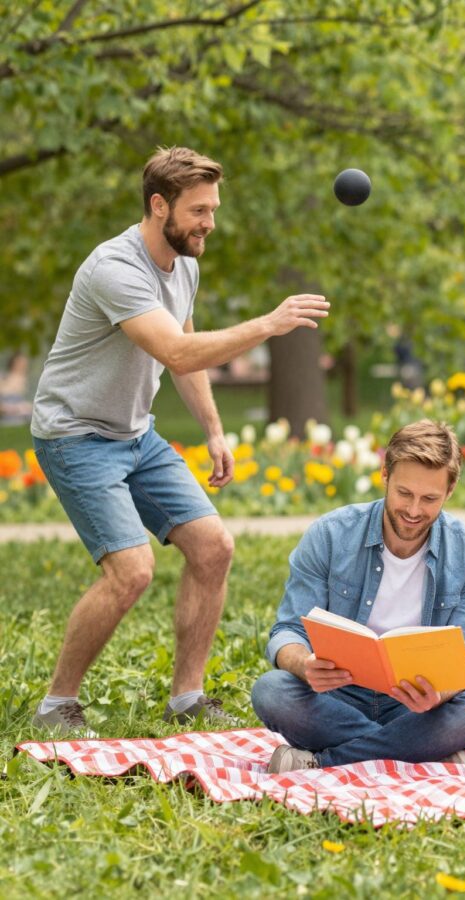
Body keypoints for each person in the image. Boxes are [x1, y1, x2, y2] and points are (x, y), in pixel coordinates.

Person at [29, 147, 330, 736]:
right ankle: (55, 703)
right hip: (75, 435)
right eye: (199, 210)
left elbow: (189, 352)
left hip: (134, 434)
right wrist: (268, 324)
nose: (209, 224)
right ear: (158, 204)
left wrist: (214, 429)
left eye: (213, 210)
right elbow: (175, 351)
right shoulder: (115, 268)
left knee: (214, 546)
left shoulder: (185, 263)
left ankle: (187, 697)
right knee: (132, 570)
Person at [251, 420, 465, 773]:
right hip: (336, 697)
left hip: (415, 705)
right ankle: (420, 747)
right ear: (384, 474)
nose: (413, 511)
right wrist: (304, 665)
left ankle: (323, 762)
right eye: (404, 493)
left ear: (451, 489)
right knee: (272, 690)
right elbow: (287, 631)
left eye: (429, 499)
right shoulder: (330, 535)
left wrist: (438, 695)